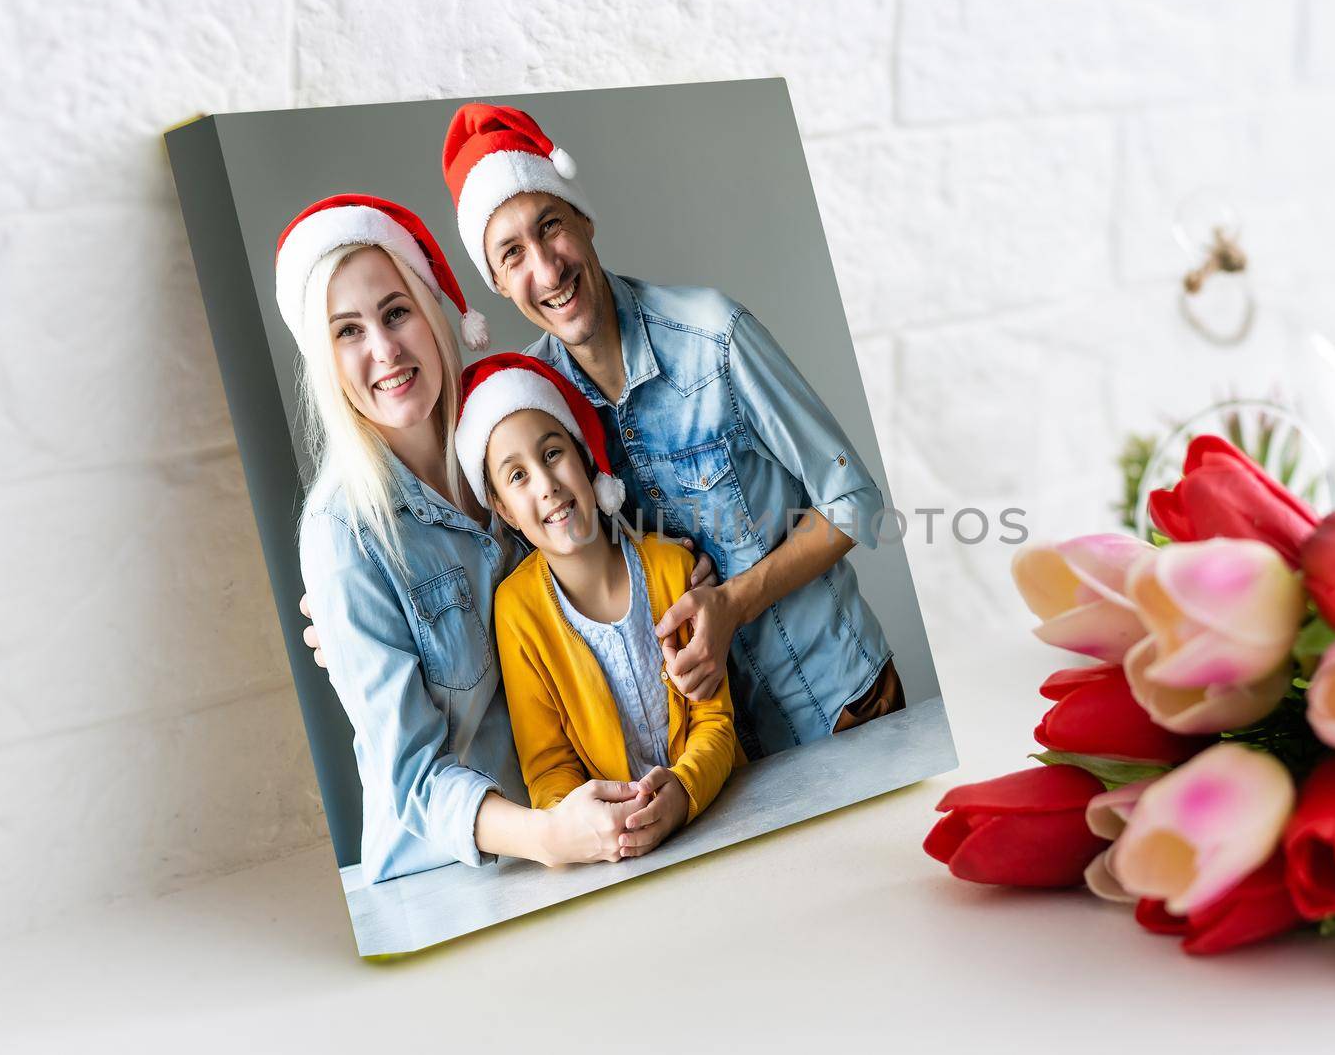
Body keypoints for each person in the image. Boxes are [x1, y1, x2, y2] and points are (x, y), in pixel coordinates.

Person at [439, 103, 906, 758]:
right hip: (718, 750)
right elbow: (500, 551)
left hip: (843, 701)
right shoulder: (534, 409)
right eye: (512, 254)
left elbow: (855, 504)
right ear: (495, 282)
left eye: (552, 227)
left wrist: (733, 604)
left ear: (585, 220)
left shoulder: (713, 333)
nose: (546, 269)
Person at [277, 193, 652, 882]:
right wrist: (548, 834)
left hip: (582, 835)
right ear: (325, 361)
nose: (385, 349)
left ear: (431, 311)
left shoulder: (504, 443)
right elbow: (414, 779)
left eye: (395, 312)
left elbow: (608, 562)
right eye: (348, 331)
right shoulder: (343, 535)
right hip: (452, 883)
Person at [456, 353, 744, 856]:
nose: (546, 485)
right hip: (614, 859)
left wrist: (684, 793)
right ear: (501, 507)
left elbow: (715, 721)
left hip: (724, 819)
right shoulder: (516, 611)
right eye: (517, 476)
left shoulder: (672, 566)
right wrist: (593, 827)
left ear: (584, 454)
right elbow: (548, 769)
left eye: (552, 454)